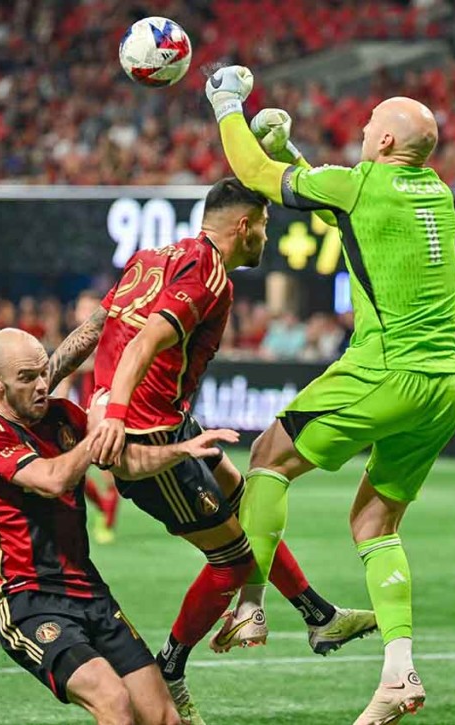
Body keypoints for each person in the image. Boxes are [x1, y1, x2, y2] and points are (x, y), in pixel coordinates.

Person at [51, 178, 376, 725]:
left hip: (167, 419)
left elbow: (95, 327)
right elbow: (145, 340)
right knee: (234, 563)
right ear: (244, 226)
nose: (267, 238)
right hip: (148, 438)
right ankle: (171, 669)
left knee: (247, 498)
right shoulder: (210, 275)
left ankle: (319, 615)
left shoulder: (153, 257)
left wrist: (46, 377)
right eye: (266, 227)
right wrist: (118, 415)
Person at [204, 68, 455, 723]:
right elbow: (344, 210)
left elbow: (257, 177)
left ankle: (252, 604)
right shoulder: (437, 193)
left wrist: (226, 102)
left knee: (268, 455)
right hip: (444, 385)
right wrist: (293, 153)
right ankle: (399, 673)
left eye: (366, 128)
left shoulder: (364, 183)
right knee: (375, 523)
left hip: (387, 369)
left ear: (379, 139)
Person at [0, 328, 236, 725]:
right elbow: (53, 479)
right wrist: (98, 432)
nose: (41, 385)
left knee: (164, 718)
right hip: (27, 599)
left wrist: (179, 452)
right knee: (113, 703)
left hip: (90, 592)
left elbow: (124, 461)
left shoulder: (64, 418)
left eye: (43, 373)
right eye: (27, 378)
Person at [55, 289, 120, 545]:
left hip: (105, 409)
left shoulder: (110, 338)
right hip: (80, 411)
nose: (84, 314)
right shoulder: (74, 339)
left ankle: (107, 520)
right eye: (82, 308)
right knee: (74, 471)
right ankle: (103, 507)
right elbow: (66, 375)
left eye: (89, 308)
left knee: (108, 472)